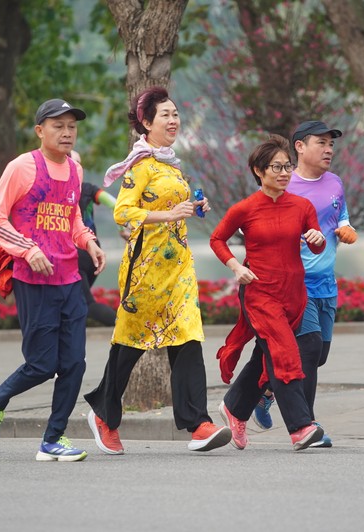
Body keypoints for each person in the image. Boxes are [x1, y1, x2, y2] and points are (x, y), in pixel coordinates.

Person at [83, 86, 231, 454]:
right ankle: (104, 413)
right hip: (145, 271)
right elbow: (123, 212)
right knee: (130, 345)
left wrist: (194, 207)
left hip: (178, 270)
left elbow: (172, 206)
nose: (173, 120)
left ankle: (197, 424)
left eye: (176, 113)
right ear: (146, 123)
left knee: (188, 337)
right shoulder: (140, 167)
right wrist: (169, 213)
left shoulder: (169, 164)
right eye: (165, 114)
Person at [0, 98, 106, 462]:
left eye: (72, 127)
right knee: (42, 365)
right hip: (33, 281)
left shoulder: (75, 171)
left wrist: (90, 243)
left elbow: (73, 219)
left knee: (75, 363)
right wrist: (27, 250)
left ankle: (53, 439)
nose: (66, 133)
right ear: (40, 130)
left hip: (70, 280)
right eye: (58, 126)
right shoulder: (22, 167)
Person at [212, 134, 327, 451]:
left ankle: (235, 408)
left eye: (288, 166)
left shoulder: (302, 206)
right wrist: (236, 267)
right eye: (276, 167)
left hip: (293, 295)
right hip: (259, 293)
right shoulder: (245, 209)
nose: (285, 172)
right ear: (258, 171)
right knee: (282, 353)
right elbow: (217, 240)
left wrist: (317, 239)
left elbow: (316, 240)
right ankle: (301, 427)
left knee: (266, 354)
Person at [252, 120, 358, 448]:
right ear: (299, 146)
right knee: (309, 351)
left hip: (327, 282)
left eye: (331, 144)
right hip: (296, 285)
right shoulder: (283, 184)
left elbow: (341, 217)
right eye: (321, 143)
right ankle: (306, 425)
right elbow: (253, 226)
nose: (329, 150)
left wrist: (347, 229)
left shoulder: (335, 183)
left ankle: (266, 390)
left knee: (319, 354)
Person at [71, 150, 129, 326]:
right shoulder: (89, 189)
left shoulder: (65, 191)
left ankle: (125, 328)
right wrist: (122, 228)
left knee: (86, 304)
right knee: (74, 305)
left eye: (78, 163)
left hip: (77, 254)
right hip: (94, 251)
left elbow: (116, 205)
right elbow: (115, 205)